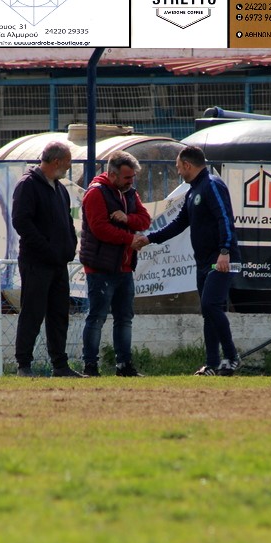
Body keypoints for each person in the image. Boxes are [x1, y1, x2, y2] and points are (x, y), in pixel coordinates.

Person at [136, 145, 241, 376]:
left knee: (210, 305)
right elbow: (178, 224)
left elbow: (225, 218)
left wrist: (225, 250)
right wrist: (149, 238)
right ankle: (212, 364)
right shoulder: (193, 191)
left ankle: (232, 357)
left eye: (178, 167)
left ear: (187, 165)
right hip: (204, 262)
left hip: (221, 259)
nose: (178, 172)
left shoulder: (212, 184)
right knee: (208, 311)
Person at [11, 141, 82, 377]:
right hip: (36, 262)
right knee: (32, 313)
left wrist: (69, 247)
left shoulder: (60, 189)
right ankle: (24, 365)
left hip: (58, 263)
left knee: (59, 315)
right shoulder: (28, 185)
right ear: (57, 161)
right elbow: (21, 222)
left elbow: (68, 222)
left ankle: (60, 365)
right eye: (68, 162)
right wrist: (47, 249)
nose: (69, 167)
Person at [79, 151, 151, 377]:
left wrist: (127, 218)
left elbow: (145, 220)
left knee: (124, 319)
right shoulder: (95, 193)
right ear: (112, 175)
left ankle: (124, 366)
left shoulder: (130, 193)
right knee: (97, 318)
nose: (131, 182)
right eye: (127, 177)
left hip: (124, 268)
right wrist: (130, 238)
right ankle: (90, 367)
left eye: (133, 177)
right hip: (100, 268)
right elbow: (100, 229)